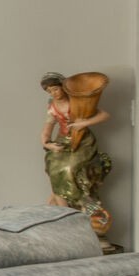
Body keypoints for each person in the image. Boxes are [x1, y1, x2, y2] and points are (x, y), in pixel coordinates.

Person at [40, 71, 112, 231]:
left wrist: (83, 124)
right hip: (62, 142)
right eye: (50, 91)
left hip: (83, 142)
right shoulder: (52, 107)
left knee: (70, 169)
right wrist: (48, 144)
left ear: (63, 87)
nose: (54, 93)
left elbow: (104, 115)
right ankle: (63, 212)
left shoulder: (78, 101)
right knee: (54, 168)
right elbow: (47, 129)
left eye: (56, 89)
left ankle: (78, 205)